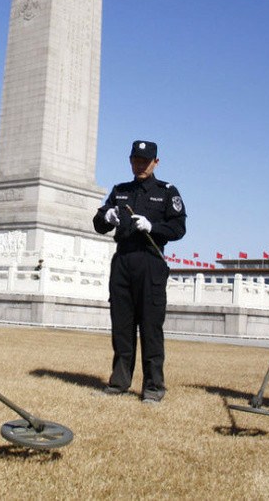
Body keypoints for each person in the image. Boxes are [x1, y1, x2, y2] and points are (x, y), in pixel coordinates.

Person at [93, 140, 186, 403]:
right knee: (122, 326)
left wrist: (153, 226)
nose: (140, 165)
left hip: (150, 261)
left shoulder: (167, 192)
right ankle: (119, 382)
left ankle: (153, 387)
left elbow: (178, 229)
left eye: (146, 161)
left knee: (150, 327)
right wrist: (106, 218)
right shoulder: (120, 191)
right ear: (130, 160)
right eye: (136, 160)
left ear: (156, 162)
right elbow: (99, 223)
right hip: (123, 261)